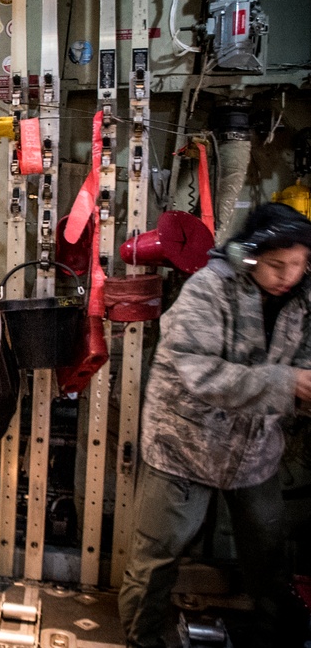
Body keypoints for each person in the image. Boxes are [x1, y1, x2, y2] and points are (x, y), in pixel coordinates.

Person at [119, 202, 311, 648]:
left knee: (270, 555)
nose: (287, 275)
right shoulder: (209, 289)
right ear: (249, 256)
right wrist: (290, 383)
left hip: (255, 451)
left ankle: (276, 640)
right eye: (277, 264)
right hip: (183, 444)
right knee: (156, 560)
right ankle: (141, 640)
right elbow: (200, 373)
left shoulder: (302, 300)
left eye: (298, 265)